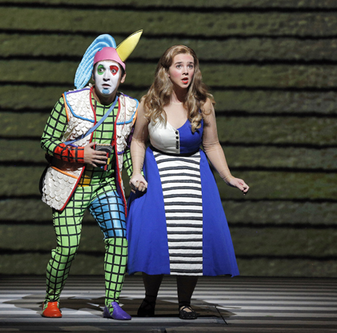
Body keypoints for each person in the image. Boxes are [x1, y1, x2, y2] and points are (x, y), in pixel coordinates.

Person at [127, 45, 249, 320]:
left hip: (193, 177)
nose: (185, 71)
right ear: (166, 70)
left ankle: (185, 302)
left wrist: (228, 177)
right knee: (155, 238)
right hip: (159, 173)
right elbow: (138, 139)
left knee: (189, 241)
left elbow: (212, 144)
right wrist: (137, 172)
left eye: (190, 65)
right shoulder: (150, 102)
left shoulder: (203, 103)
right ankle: (150, 299)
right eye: (179, 65)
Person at [39, 30, 142, 320]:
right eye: (101, 70)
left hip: (106, 185)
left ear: (122, 76)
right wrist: (80, 155)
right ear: (92, 74)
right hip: (69, 184)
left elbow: (136, 143)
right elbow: (47, 142)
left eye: (113, 71)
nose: (107, 76)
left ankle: (111, 302)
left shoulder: (131, 108)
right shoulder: (70, 102)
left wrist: (137, 172)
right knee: (68, 247)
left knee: (119, 237)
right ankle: (51, 299)